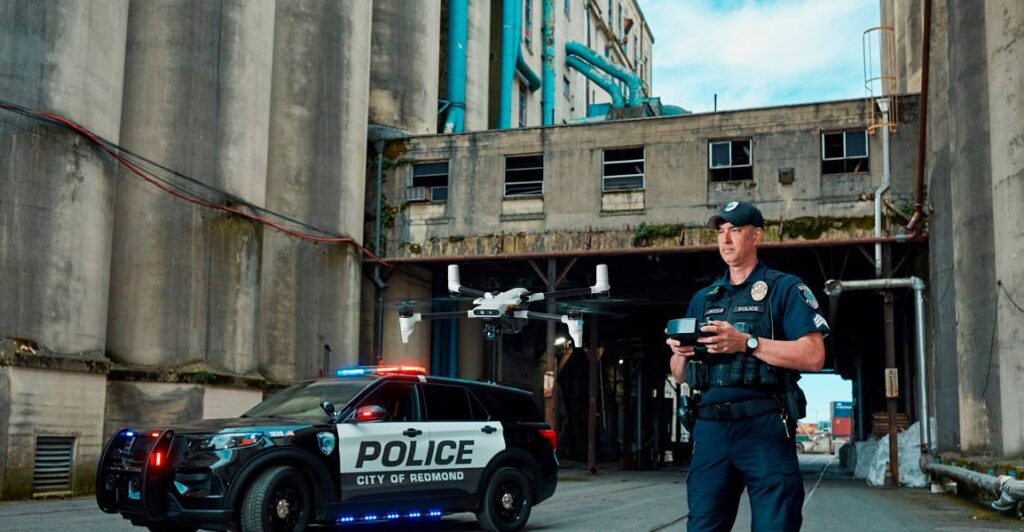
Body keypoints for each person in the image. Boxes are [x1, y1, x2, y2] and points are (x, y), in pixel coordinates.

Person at [667, 200, 830, 532]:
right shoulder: (704, 298)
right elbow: (679, 374)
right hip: (711, 430)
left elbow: (814, 356)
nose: (726, 240)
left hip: (763, 426)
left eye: (735, 230)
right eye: (721, 232)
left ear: (756, 235)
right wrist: (680, 353)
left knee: (775, 525)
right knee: (702, 527)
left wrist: (747, 343)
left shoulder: (784, 288)